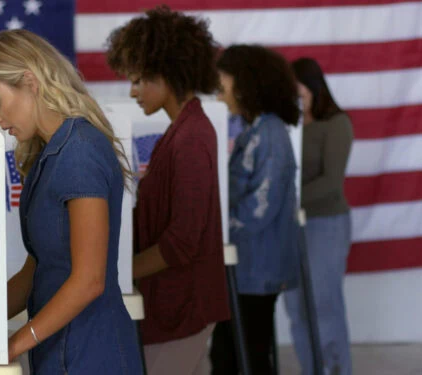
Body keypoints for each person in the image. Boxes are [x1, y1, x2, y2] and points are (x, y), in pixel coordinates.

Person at [0, 29, 143, 374]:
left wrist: (15, 343)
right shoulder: (50, 153)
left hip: (93, 354)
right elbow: (36, 270)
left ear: (30, 82)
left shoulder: (79, 152)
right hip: (59, 352)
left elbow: (89, 279)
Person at [105, 6, 230, 375]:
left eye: (139, 79)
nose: (132, 91)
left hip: (185, 304)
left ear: (168, 74)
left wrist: (117, 277)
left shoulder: (190, 138)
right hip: (177, 302)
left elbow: (182, 241)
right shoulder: (182, 131)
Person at [210, 45, 301, 375]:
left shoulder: (271, 133)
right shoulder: (254, 130)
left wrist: (216, 231)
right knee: (231, 353)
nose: (219, 90)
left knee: (246, 356)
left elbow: (261, 206)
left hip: (257, 268)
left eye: (224, 82)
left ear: (247, 84)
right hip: (245, 267)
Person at [283, 57, 354, 375]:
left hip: (325, 224)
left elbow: (331, 182)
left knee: (325, 305)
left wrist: (284, 202)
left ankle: (337, 369)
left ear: (312, 86)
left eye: (297, 86)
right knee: (296, 308)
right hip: (290, 227)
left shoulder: (336, 124)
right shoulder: (286, 125)